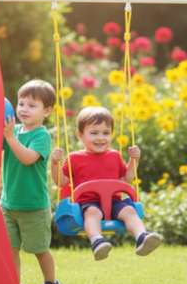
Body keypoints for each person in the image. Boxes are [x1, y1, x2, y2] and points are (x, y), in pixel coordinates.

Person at [51, 106, 162, 260]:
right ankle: (97, 241)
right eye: (94, 133)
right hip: (87, 204)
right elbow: (60, 181)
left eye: (106, 133)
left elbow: (125, 180)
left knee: (129, 210)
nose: (101, 138)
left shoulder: (114, 156)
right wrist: (55, 163)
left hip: (114, 202)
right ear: (80, 135)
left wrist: (134, 161)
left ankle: (141, 237)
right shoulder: (74, 158)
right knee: (93, 212)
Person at [1, 79, 62, 284]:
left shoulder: (41, 135)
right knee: (10, 248)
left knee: (39, 249)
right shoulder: (13, 130)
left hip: (34, 205)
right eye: (21, 104)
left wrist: (9, 137)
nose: (24, 109)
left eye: (32, 105)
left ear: (47, 111)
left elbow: (27, 158)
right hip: (8, 203)